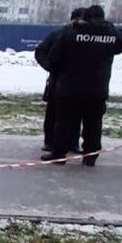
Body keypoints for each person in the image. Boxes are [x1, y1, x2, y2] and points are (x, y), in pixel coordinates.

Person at [42, 5, 122, 165]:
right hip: (97, 89)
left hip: (70, 88)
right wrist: (109, 26)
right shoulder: (111, 35)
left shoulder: (71, 33)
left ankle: (59, 154)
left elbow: (53, 57)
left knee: (65, 123)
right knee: (93, 124)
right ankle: (90, 156)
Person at [35, 9, 84, 153]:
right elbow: (40, 52)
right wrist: (50, 67)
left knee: (75, 115)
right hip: (58, 80)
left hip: (78, 82)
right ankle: (49, 142)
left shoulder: (85, 37)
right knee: (53, 113)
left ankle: (72, 142)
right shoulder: (58, 34)